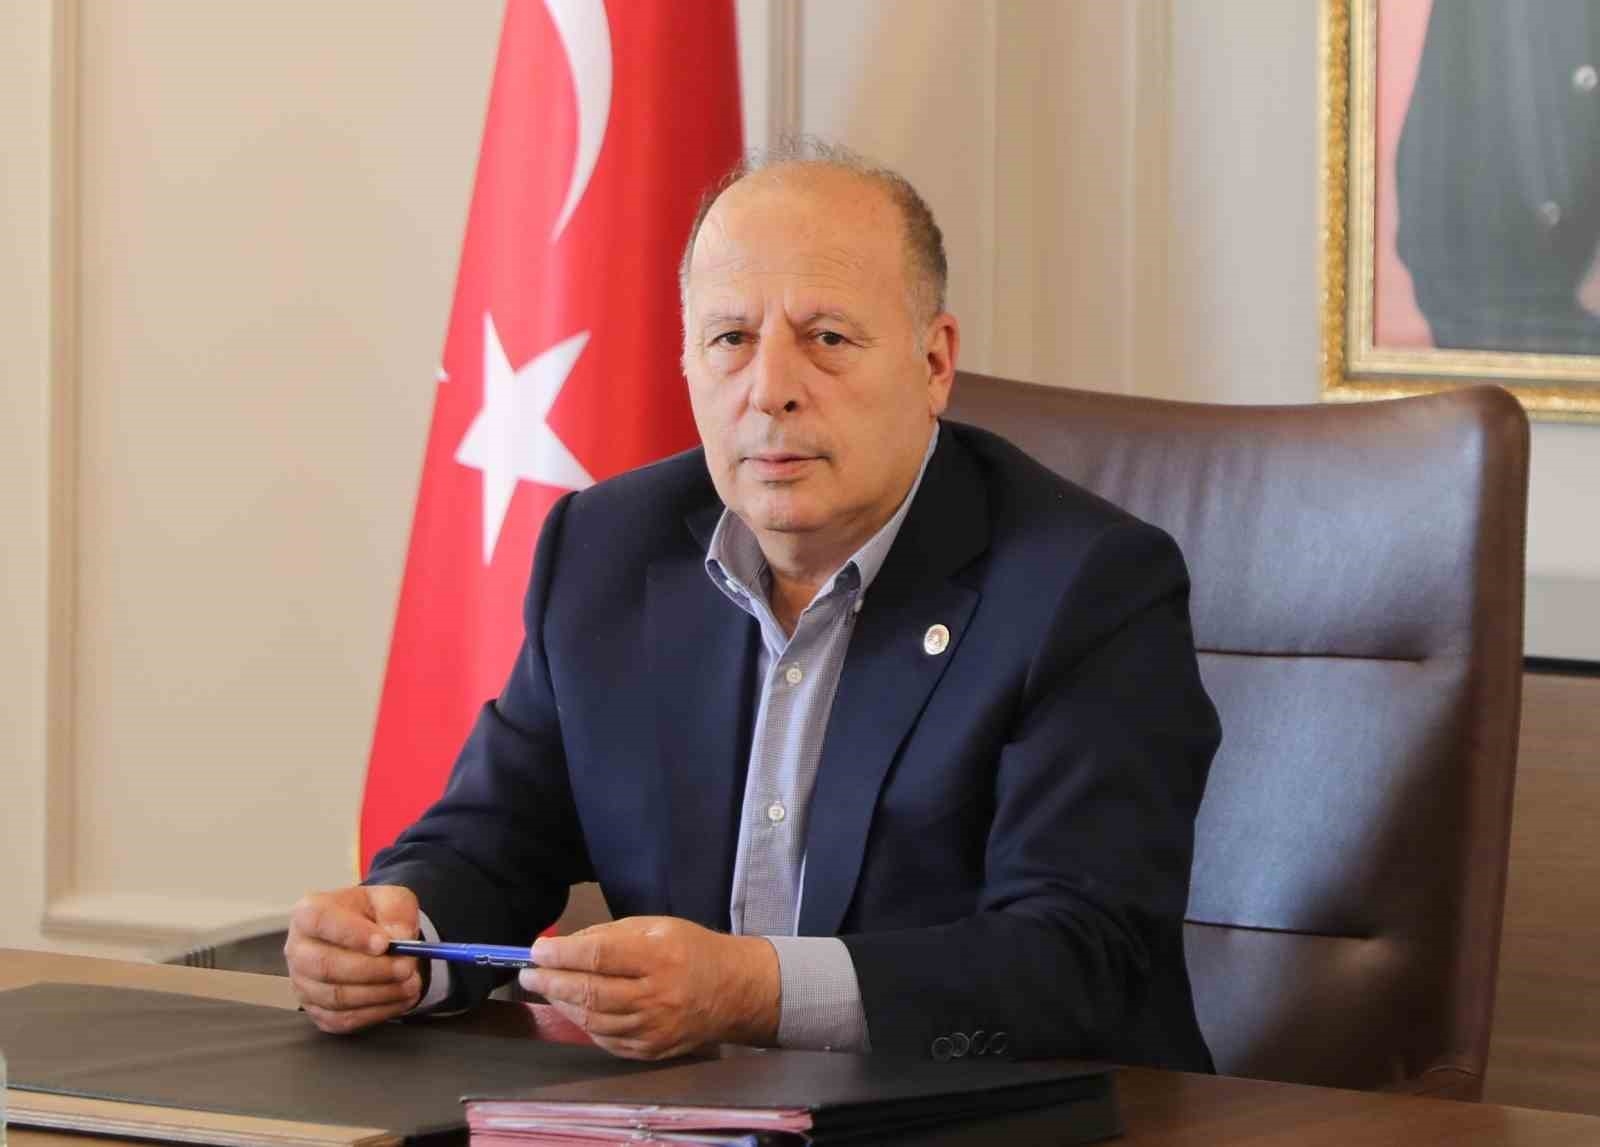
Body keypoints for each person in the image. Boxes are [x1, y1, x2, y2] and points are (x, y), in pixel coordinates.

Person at [285, 141, 1221, 1070]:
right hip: (689, 1116)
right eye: (731, 339)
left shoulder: (1087, 585)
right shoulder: (608, 550)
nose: (770, 391)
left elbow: (1078, 960)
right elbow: (491, 838)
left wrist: (754, 989)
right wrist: (397, 939)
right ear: (688, 360)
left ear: (935, 362)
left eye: (828, 339)